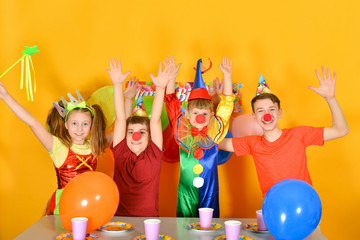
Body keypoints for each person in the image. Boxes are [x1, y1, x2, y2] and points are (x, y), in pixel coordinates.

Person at [219, 66, 349, 197]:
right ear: (254, 117)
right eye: (260, 111)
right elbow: (216, 142)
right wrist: (213, 107)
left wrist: (330, 98)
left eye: (271, 109)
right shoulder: (252, 143)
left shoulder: (299, 134)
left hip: (304, 206)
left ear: (279, 112)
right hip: (274, 210)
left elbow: (341, 130)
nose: (267, 115)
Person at [0, 82, 108, 214]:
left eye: (85, 124)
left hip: (89, 206)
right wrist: (6, 96)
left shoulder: (94, 145)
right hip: (64, 209)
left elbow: (120, 131)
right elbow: (32, 122)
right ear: (66, 125)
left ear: (91, 126)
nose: (79, 129)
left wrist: (128, 99)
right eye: (74, 123)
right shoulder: (58, 147)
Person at [164, 56, 235, 218]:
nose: (199, 117)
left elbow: (226, 107)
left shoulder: (215, 131)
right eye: (195, 113)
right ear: (187, 114)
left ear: (210, 115)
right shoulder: (181, 129)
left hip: (209, 192)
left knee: (209, 227)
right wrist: (171, 78)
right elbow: (171, 103)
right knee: (184, 228)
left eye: (204, 113)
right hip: (186, 192)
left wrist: (228, 77)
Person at [107, 58, 176, 217]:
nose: (135, 135)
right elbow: (120, 119)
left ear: (150, 137)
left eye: (141, 132)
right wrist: (117, 85)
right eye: (130, 132)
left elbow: (155, 120)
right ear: (125, 135)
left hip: (149, 220)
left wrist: (160, 88)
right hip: (120, 220)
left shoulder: (154, 152)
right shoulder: (120, 151)